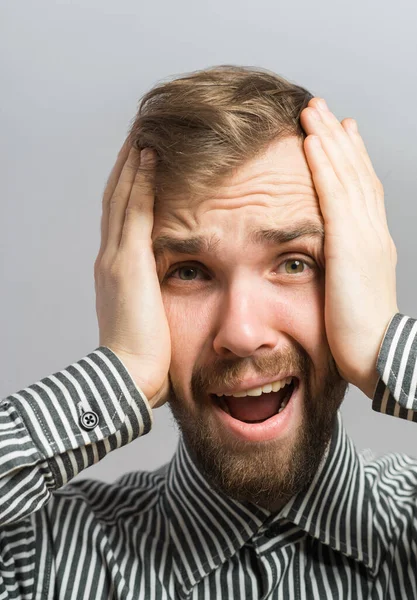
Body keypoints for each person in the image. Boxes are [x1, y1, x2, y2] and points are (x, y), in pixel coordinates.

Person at [0, 65, 414, 599]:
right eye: (188, 272)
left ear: (357, 278)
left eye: (293, 263)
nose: (241, 334)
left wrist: (388, 347)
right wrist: (119, 374)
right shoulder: (36, 561)